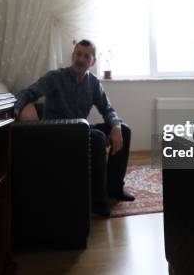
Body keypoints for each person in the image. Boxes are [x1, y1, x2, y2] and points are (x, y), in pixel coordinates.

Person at [14, 39, 134, 217]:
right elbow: (26, 93)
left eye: (86, 56)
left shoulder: (93, 83)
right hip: (57, 132)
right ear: (73, 56)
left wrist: (115, 126)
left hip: (81, 129)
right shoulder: (55, 77)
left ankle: (114, 188)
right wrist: (21, 109)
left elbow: (107, 109)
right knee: (98, 137)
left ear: (92, 62)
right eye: (78, 54)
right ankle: (97, 201)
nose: (81, 59)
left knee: (124, 130)